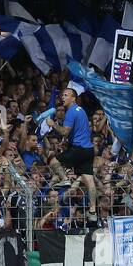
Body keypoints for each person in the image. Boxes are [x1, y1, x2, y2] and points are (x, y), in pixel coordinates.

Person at [51, 88, 98, 221]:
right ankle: (93, 212)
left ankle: (64, 179)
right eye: (62, 95)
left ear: (73, 98)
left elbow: (65, 132)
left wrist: (53, 124)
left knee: (53, 161)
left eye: (66, 95)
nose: (63, 97)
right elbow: (79, 132)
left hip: (79, 149)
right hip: (88, 150)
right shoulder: (81, 110)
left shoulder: (71, 112)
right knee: (89, 180)